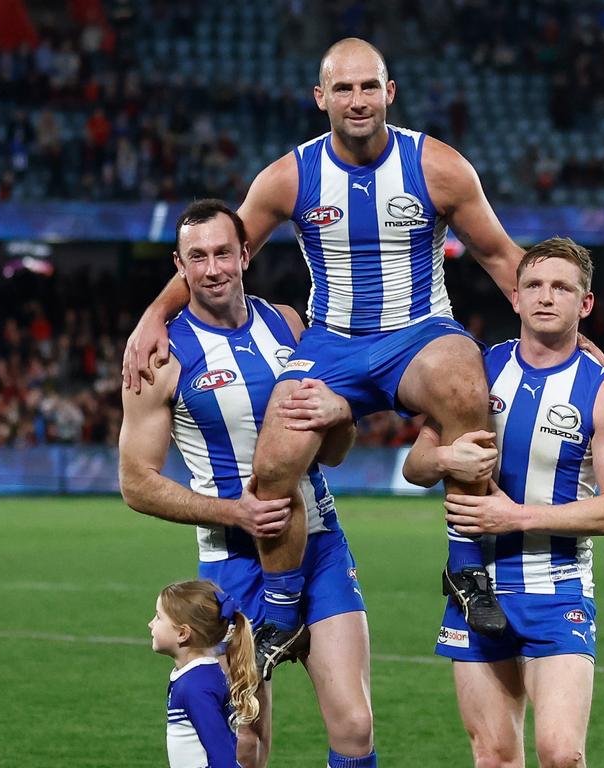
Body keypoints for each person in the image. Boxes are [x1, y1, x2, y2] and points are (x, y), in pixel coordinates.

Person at [123, 37, 547, 655]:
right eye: (343, 88)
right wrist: (153, 315)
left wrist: (574, 340)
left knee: (466, 385)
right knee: (274, 464)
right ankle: (283, 609)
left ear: (389, 93)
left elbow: (506, 259)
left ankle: (465, 567)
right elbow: (218, 249)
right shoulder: (290, 177)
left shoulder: (439, 167)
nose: (357, 100)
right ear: (321, 97)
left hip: (419, 333)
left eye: (369, 86)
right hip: (330, 343)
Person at [119, 200, 375, 768]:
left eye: (222, 253)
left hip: (321, 545)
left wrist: (341, 415)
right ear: (179, 267)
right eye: (197, 257)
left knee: (354, 725)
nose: (213, 269)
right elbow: (136, 482)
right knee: (245, 741)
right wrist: (233, 512)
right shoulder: (160, 356)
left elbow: (333, 450)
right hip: (232, 562)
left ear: (245, 254)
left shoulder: (287, 323)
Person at [402, 237, 604, 768]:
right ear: (515, 298)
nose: (545, 297)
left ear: (585, 305)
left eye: (561, 287)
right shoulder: (476, 372)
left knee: (561, 753)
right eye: (533, 285)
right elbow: (415, 466)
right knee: (493, 756)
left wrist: (517, 517)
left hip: (557, 589)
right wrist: (447, 461)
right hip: (475, 586)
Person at [149, 579, 257, 768]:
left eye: (158, 617)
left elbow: (223, 759)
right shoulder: (197, 675)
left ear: (183, 634)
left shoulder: (195, 687)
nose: (151, 624)